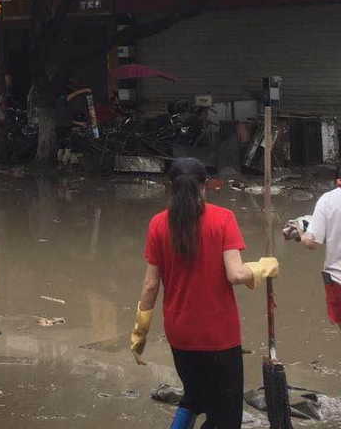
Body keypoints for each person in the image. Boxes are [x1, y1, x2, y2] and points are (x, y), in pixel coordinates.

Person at [129, 158, 279, 429]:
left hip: (180, 334)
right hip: (218, 336)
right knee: (226, 419)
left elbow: (151, 285)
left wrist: (140, 331)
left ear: (170, 186)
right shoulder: (223, 218)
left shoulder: (157, 224)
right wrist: (262, 268)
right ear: (205, 185)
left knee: (195, 395)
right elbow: (235, 274)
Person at [284, 165, 341, 331]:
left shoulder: (328, 200)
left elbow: (311, 243)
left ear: (338, 181)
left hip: (337, 280)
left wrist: (301, 231)